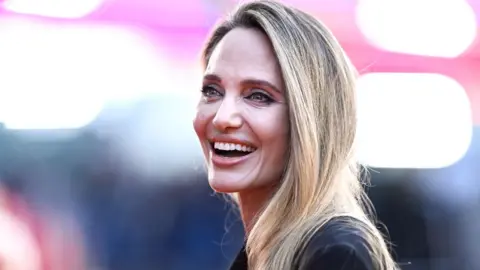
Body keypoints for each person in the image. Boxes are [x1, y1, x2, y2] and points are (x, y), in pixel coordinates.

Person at [193, 1, 399, 269]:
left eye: (258, 96)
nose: (222, 117)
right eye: (212, 91)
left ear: (311, 121)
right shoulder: (266, 252)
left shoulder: (335, 254)